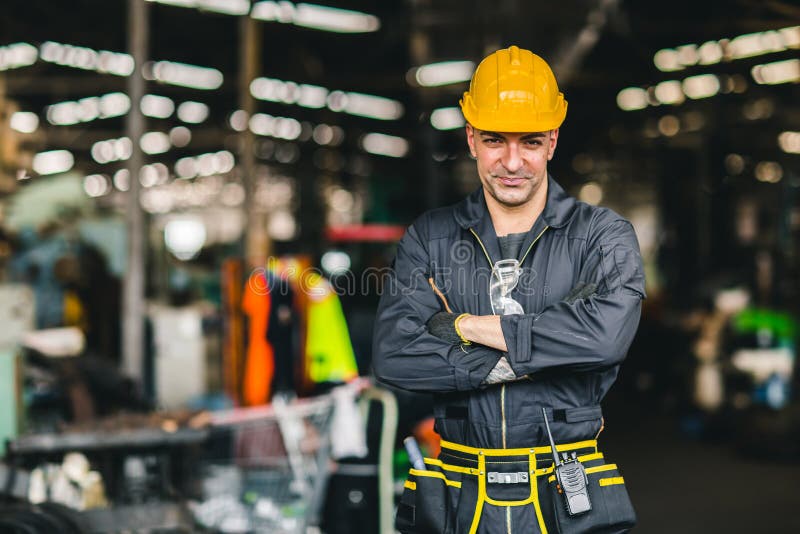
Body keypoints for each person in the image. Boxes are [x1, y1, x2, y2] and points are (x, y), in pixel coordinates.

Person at [372, 46, 645, 534]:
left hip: (568, 490)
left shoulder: (603, 235)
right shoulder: (429, 238)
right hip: (458, 494)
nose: (513, 161)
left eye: (531, 142)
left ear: (553, 142)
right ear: (472, 138)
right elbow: (394, 354)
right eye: (496, 140)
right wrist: (548, 350)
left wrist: (461, 327)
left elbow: (605, 339)